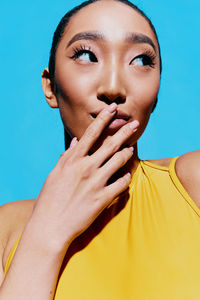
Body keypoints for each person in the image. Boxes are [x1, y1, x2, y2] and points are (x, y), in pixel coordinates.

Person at [0, 0, 200, 299]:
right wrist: (45, 234)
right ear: (50, 87)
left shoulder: (191, 184)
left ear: (156, 93)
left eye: (141, 61)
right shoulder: (8, 227)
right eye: (86, 55)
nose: (113, 86)